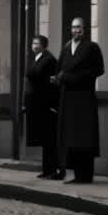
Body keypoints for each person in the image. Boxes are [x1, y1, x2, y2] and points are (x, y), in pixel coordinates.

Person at [54, 18, 104, 184]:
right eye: (74, 27)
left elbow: (98, 70)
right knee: (70, 138)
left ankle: (86, 175)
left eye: (79, 28)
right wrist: (59, 78)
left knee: (84, 138)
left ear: (84, 29)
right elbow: (59, 69)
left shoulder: (92, 48)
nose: (76, 31)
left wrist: (73, 78)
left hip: (84, 98)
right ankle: (73, 173)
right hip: (68, 98)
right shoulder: (67, 47)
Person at [24, 35, 61, 179]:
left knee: (49, 139)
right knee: (44, 140)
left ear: (43, 45)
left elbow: (51, 83)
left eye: (36, 43)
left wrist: (53, 105)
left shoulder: (49, 59)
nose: (33, 45)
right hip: (37, 104)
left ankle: (53, 169)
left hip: (46, 104)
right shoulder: (36, 58)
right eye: (32, 43)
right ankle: (46, 169)